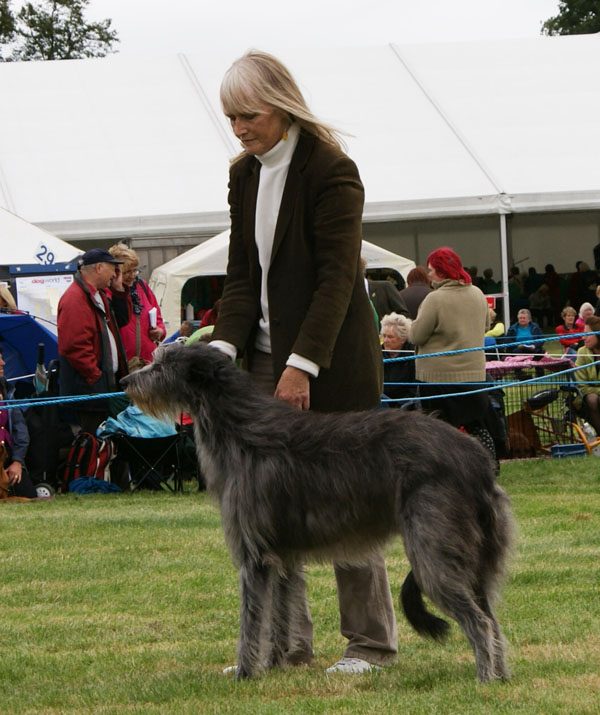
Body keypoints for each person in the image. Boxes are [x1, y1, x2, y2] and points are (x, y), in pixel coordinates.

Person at [210, 50, 397, 674]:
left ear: (282, 105)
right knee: (271, 508)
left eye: (248, 115)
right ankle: (286, 644)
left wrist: (302, 365)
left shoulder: (332, 170)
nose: (238, 128)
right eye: (230, 117)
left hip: (329, 363)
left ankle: (369, 643)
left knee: (348, 499)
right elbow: (242, 274)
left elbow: (338, 278)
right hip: (263, 360)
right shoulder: (242, 176)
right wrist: (222, 349)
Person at [409, 247, 496, 458]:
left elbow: (416, 336)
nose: (428, 275)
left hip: (438, 379)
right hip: (474, 377)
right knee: (476, 426)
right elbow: (485, 325)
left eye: (430, 270)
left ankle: (444, 471)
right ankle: (486, 465)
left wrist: (407, 326)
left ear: (441, 272)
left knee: (439, 432)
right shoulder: (477, 293)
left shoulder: (434, 299)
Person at [57, 248, 128, 436]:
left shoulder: (98, 295)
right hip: (91, 392)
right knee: (94, 446)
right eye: (113, 269)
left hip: (100, 387)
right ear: (99, 267)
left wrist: (119, 290)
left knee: (110, 445)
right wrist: (96, 378)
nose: (114, 274)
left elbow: (122, 321)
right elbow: (74, 347)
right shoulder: (75, 299)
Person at [108, 243, 166, 368]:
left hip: (148, 361)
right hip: (123, 364)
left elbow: (158, 317)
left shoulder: (142, 287)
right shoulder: (108, 293)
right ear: (115, 272)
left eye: (135, 270)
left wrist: (160, 331)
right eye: (127, 272)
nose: (133, 275)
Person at [0, 345, 36, 498]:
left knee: (29, 496)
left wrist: (17, 461)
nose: (3, 363)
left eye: (2, 358)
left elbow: (19, 429)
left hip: (7, 457)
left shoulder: (7, 390)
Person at [380, 312, 416, 405]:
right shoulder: (378, 353)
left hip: (404, 405)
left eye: (390, 337)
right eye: (384, 336)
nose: (385, 340)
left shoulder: (413, 356)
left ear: (403, 339)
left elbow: (414, 391)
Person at [574, 315, 600, 435]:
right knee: (592, 399)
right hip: (586, 399)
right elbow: (582, 386)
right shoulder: (582, 352)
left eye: (588, 334)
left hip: (595, 391)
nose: (583, 337)